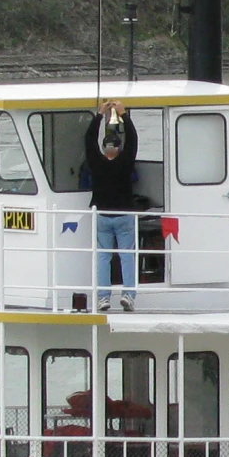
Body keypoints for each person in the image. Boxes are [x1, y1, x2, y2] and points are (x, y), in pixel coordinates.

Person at [82, 102, 141, 311]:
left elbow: (89, 140)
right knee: (127, 256)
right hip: (124, 215)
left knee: (103, 257)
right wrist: (124, 114)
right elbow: (133, 140)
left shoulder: (95, 163)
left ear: (104, 148)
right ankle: (128, 295)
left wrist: (99, 116)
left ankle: (103, 298)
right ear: (118, 148)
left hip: (102, 216)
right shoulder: (125, 162)